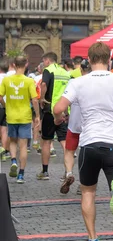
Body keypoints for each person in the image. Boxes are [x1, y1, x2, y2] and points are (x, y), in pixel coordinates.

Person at [53, 42, 113, 241]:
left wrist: (58, 118)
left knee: (88, 192)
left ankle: (93, 240)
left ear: (89, 61)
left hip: (89, 144)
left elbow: (58, 108)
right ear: (109, 59)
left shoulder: (78, 82)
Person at [0, 56, 40, 184]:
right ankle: (21, 175)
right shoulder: (29, 81)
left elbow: (0, 96)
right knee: (23, 146)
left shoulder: (6, 80)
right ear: (26, 64)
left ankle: (13, 160)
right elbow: (34, 99)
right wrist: (38, 115)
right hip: (25, 116)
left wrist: (6, 106)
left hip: (11, 116)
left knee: (12, 141)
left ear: (13, 64)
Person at [61, 59, 91, 196]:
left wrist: (66, 114)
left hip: (74, 124)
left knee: (69, 151)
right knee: (85, 154)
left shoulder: (74, 83)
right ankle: (82, 183)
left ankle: (68, 173)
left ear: (81, 70)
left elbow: (65, 101)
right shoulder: (96, 84)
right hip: (90, 125)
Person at [38, 52, 71, 180]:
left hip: (50, 110)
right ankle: (67, 172)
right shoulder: (64, 72)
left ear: (47, 60)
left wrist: (42, 98)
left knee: (46, 141)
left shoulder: (48, 70)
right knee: (64, 142)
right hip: (63, 111)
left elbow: (44, 84)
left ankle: (45, 172)